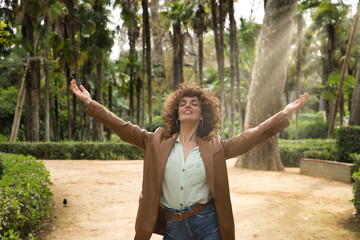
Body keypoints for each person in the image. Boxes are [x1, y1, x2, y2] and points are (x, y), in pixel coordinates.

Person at [71, 80, 308, 240]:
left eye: (194, 103)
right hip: (174, 226)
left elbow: (252, 136)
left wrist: (284, 113)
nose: (188, 106)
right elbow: (122, 127)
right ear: (176, 111)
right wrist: (91, 103)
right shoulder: (156, 140)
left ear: (203, 113)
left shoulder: (215, 146)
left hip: (208, 223)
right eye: (183, 103)